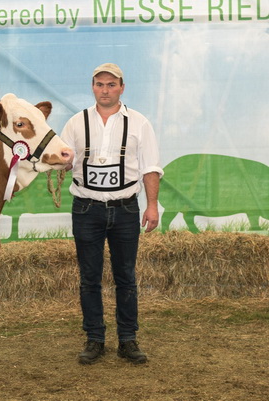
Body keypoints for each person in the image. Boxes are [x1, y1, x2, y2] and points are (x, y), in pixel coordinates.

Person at [60, 63, 163, 365]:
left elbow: (151, 167)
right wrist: (61, 164)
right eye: (99, 84)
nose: (105, 90)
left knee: (126, 277)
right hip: (86, 208)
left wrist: (152, 205)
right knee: (89, 278)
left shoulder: (140, 123)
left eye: (111, 85)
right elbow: (64, 159)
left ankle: (128, 340)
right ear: (92, 87)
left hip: (126, 208)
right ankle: (95, 339)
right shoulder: (76, 123)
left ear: (122, 87)